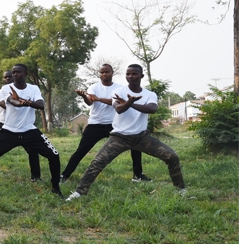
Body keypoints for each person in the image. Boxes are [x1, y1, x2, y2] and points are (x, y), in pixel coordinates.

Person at [67, 65, 185, 201]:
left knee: (172, 156)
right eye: (128, 74)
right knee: (97, 163)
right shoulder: (119, 91)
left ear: (141, 76)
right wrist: (128, 102)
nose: (130, 77)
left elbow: (152, 108)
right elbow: (118, 109)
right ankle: (80, 192)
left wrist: (131, 103)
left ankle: (180, 189)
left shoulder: (149, 94)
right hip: (119, 137)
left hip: (142, 137)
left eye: (134, 74)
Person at [0, 64, 63, 204]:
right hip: (9, 131)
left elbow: (41, 105)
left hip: (29, 130)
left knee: (54, 155)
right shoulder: (6, 89)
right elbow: (13, 102)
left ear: (26, 73)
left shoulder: (34, 88)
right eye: (13, 72)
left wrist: (26, 101)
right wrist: (21, 101)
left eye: (18, 72)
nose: (15, 75)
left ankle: (55, 187)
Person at [60, 64, 148, 183]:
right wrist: (83, 97)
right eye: (102, 72)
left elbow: (115, 102)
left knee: (135, 145)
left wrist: (99, 98)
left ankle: (138, 175)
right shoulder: (93, 87)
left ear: (112, 73)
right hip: (96, 124)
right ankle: (64, 175)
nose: (104, 74)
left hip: (114, 124)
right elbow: (90, 102)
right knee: (81, 150)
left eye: (107, 72)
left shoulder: (119, 88)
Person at [0, 70, 42, 182]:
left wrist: (25, 102)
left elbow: (33, 104)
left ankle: (36, 177)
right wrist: (23, 102)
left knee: (33, 151)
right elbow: (10, 107)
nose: (8, 79)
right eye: (5, 77)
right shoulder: (0, 93)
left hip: (23, 127)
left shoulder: (25, 91)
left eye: (10, 76)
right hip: (4, 126)